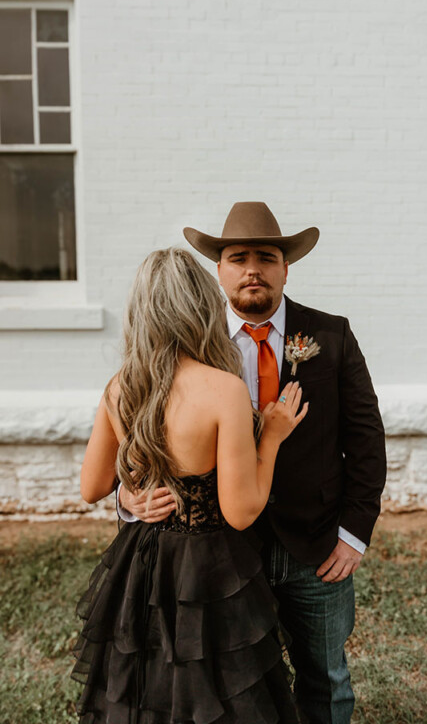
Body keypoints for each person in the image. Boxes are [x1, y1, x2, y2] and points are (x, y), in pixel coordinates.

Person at [119, 202, 388, 724]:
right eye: (237, 257)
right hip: (221, 550)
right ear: (218, 269)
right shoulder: (188, 344)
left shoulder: (330, 336)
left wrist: (354, 533)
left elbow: (366, 438)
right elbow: (140, 424)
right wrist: (127, 493)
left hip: (315, 546)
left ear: (286, 267)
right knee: (237, 686)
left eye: (266, 257)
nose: (252, 269)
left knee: (326, 677)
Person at [72, 246, 308, 723]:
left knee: (149, 684)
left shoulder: (120, 386)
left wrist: (130, 496)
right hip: (207, 565)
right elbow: (241, 511)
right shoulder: (223, 389)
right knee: (216, 688)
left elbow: (91, 486)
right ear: (201, 307)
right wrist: (275, 438)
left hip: (141, 561)